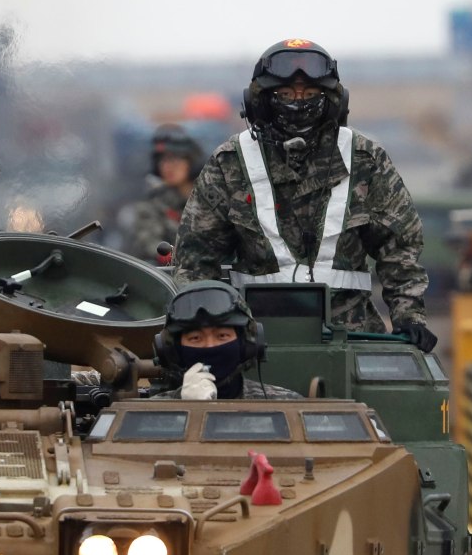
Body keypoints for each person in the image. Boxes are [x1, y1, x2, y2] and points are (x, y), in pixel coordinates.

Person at [171, 38, 432, 347]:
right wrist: (208, 333)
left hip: (351, 337)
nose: (298, 101)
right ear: (261, 101)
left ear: (333, 101)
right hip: (255, 341)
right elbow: (195, 259)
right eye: (285, 94)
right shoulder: (230, 163)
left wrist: (409, 317)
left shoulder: (365, 159)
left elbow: (400, 247)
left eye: (310, 94)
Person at [147, 281, 298, 400]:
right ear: (174, 350)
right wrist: (188, 410)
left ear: (247, 343)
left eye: (222, 336)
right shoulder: (151, 414)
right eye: (195, 338)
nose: (210, 345)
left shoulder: (284, 404)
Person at [124, 123, 203, 263]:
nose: (167, 166)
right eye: (162, 160)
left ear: (191, 161)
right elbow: (149, 241)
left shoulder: (209, 197)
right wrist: (176, 255)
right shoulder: (154, 203)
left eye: (174, 158)